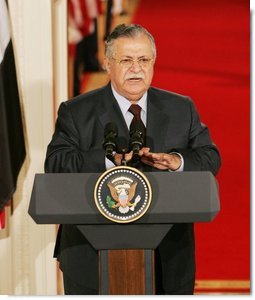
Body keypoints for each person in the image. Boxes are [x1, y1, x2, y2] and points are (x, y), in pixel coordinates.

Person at [44, 23, 221, 295]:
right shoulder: (76, 111)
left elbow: (210, 158)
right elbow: (56, 163)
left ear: (153, 63)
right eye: (126, 60)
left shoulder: (180, 108)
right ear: (107, 64)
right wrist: (107, 160)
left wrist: (177, 161)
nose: (136, 68)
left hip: (167, 256)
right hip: (91, 256)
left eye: (143, 60)